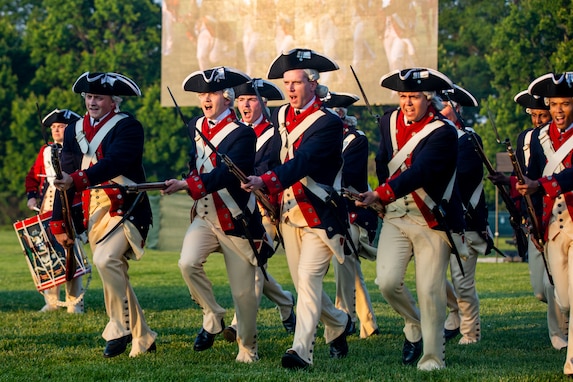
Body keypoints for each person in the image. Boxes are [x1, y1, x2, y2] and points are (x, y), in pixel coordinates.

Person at [241, 48, 352, 370]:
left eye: (296, 83)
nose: (289, 89)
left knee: (307, 278)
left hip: (320, 213)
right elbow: (275, 155)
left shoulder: (328, 123)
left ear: (313, 84)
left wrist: (266, 179)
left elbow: (304, 162)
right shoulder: (282, 117)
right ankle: (339, 320)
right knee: (304, 284)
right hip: (290, 211)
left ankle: (300, 350)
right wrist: (255, 175)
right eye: (287, 83)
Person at [357, 67, 466, 371]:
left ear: (427, 98)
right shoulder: (388, 122)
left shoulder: (443, 131)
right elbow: (382, 161)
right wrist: (382, 198)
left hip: (431, 217)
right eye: (403, 96)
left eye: (414, 97)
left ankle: (432, 357)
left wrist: (382, 193)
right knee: (387, 282)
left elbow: (422, 171)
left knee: (430, 291)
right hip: (396, 213)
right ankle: (413, 324)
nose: (407, 102)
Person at [162, 67, 273, 363]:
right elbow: (195, 163)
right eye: (202, 94)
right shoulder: (195, 126)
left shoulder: (243, 134)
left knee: (244, 295)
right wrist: (188, 177)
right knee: (187, 263)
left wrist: (189, 184)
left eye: (211, 93)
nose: (205, 99)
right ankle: (212, 314)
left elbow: (226, 174)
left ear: (227, 97)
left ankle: (248, 347)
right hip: (205, 215)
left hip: (234, 219)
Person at [51, 71, 157, 358]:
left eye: (98, 96)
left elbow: (114, 164)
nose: (92, 101)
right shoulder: (74, 131)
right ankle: (144, 336)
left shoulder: (129, 127)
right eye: (88, 96)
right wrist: (59, 220)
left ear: (114, 101)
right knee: (114, 270)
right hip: (94, 212)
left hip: (128, 209)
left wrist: (77, 179)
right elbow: (65, 179)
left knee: (105, 259)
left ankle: (118, 327)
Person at [221, 79, 296, 343]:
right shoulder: (233, 134)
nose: (245, 105)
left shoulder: (276, 134)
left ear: (263, 104)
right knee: (256, 263)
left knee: (253, 261)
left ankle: (237, 323)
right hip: (244, 210)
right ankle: (286, 302)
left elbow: (280, 168)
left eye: (251, 100)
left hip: (272, 209)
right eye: (241, 100)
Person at [516, 72, 573, 376]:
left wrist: (543, 185)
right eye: (555, 104)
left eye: (566, 103)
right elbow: (531, 178)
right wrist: (533, 221)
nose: (559, 111)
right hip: (553, 223)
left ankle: (571, 361)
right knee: (562, 298)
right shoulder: (539, 138)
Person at [323, 91, 380, 338]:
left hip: (355, 214)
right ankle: (367, 324)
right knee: (350, 269)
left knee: (342, 261)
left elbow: (350, 177)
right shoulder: (322, 137)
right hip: (333, 212)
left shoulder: (356, 139)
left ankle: (343, 316)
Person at [440, 84, 492, 345]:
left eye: (443, 105)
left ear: (456, 109)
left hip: (465, 223)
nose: (438, 110)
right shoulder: (436, 137)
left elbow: (464, 177)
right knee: (432, 278)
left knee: (462, 283)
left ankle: (470, 332)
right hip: (439, 222)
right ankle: (454, 312)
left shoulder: (468, 139)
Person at [25, 108, 84, 313]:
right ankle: (51, 301)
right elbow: (33, 176)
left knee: (71, 253)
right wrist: (32, 196)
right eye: (53, 127)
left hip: (71, 207)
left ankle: (75, 302)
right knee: (46, 253)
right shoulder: (45, 150)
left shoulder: (80, 150)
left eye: (61, 127)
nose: (56, 131)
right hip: (46, 208)